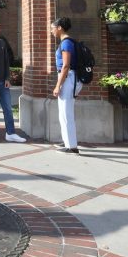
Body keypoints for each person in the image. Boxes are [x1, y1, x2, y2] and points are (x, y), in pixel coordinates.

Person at [51, 17, 80, 154]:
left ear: (59, 28)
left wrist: (58, 86)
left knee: (66, 113)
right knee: (63, 112)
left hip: (68, 78)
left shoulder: (66, 43)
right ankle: (67, 141)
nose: (51, 31)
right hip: (67, 78)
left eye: (53, 28)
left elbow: (66, 66)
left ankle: (72, 146)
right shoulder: (65, 42)